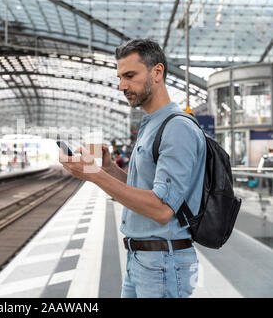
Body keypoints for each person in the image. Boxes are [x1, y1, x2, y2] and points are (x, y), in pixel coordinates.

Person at [59, 38, 206, 298]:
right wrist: (107, 169)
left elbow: (161, 209)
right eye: (119, 77)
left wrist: (93, 176)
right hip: (142, 259)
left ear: (157, 72)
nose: (121, 86)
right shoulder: (151, 124)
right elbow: (143, 190)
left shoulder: (177, 127)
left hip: (163, 263)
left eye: (129, 76)